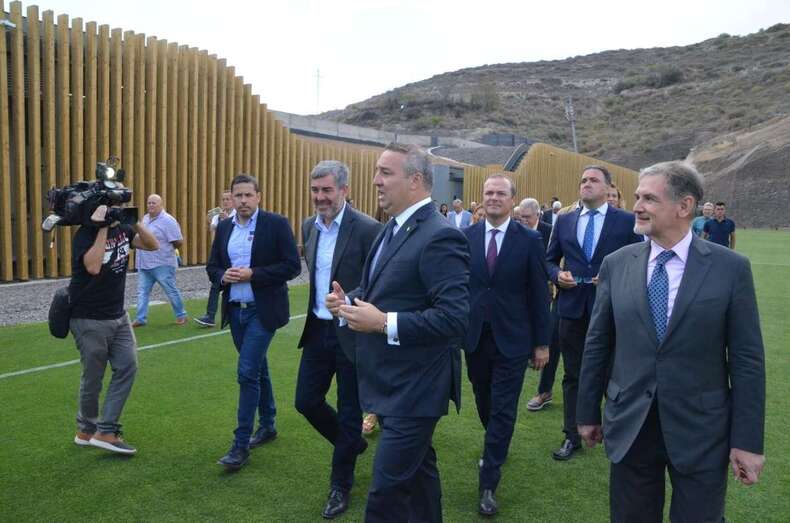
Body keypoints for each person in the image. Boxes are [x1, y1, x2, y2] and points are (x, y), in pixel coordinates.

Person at [577, 161, 765, 522]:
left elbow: (747, 361)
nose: (636, 206)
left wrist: (747, 442)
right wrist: (586, 412)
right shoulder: (616, 264)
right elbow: (598, 342)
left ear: (684, 206)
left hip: (702, 430)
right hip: (631, 425)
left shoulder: (731, 268)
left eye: (649, 198)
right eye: (637, 197)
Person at [326, 142, 470, 522]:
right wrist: (349, 302)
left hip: (417, 388)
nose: (376, 180)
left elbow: (454, 318)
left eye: (385, 173)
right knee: (421, 480)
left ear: (416, 180)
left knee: (384, 497)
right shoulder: (391, 227)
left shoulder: (440, 235)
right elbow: (381, 290)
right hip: (391, 383)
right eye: (377, 171)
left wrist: (382, 322)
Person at [296, 160, 382, 518]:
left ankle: (340, 485)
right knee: (306, 401)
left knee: (349, 412)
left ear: (345, 190)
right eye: (315, 190)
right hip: (317, 330)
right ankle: (353, 445)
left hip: (352, 332)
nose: (320, 197)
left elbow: (380, 282)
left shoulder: (368, 229)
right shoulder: (308, 226)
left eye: (327, 190)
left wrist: (350, 301)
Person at [463, 177, 551, 516]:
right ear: (482, 198)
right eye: (489, 193)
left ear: (512, 200)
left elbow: (539, 294)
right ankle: (496, 441)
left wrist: (542, 343)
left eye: (501, 193)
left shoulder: (529, 239)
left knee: (503, 408)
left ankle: (488, 482)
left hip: (513, 339)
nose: (494, 197)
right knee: (484, 399)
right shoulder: (466, 237)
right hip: (475, 337)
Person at [546, 165, 643, 461]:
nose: (586, 184)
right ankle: (572, 435)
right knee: (573, 374)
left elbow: (641, 260)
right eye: (583, 180)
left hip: (613, 310)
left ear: (608, 187)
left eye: (593, 180)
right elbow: (549, 260)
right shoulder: (564, 221)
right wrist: (557, 275)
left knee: (615, 374)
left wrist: (617, 278)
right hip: (572, 309)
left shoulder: (626, 221)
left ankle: (616, 433)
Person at [206, 174, 301, 470]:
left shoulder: (276, 224)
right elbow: (212, 266)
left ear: (259, 196)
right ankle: (268, 424)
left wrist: (253, 274)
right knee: (258, 368)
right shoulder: (224, 227)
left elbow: (292, 266)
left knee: (247, 372)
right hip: (236, 311)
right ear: (232, 198)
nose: (243, 201)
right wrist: (223, 276)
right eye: (238, 195)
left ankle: (240, 445)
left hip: (263, 311)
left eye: (248, 195)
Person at [70, 203, 159, 454]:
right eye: (113, 205)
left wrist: (135, 221)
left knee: (128, 366)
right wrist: (101, 228)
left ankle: (106, 430)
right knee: (93, 377)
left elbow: (153, 245)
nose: (117, 209)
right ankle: (86, 430)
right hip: (88, 317)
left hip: (118, 315)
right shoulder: (85, 234)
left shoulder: (125, 230)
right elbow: (93, 267)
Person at [517, 198, 561, 412]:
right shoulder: (515, 230)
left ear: (538, 215)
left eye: (527, 217)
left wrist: (553, 280)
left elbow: (553, 261)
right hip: (520, 292)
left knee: (550, 334)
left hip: (547, 290)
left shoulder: (549, 231)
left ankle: (544, 389)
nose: (523, 221)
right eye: (521, 217)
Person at [130, 195, 187, 327]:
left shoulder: (168, 220)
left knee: (170, 290)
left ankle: (181, 315)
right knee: (142, 292)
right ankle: (140, 318)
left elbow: (178, 241)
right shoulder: (145, 218)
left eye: (153, 203)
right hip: (144, 264)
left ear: (161, 205)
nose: (150, 205)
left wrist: (164, 250)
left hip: (162, 263)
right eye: (149, 203)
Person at [195, 190, 236, 327]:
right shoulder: (217, 216)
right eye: (223, 199)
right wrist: (212, 222)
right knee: (216, 285)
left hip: (233, 256)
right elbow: (214, 235)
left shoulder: (237, 215)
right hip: (221, 256)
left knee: (224, 286)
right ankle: (210, 316)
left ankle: (213, 316)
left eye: (228, 199)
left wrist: (226, 220)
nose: (225, 202)